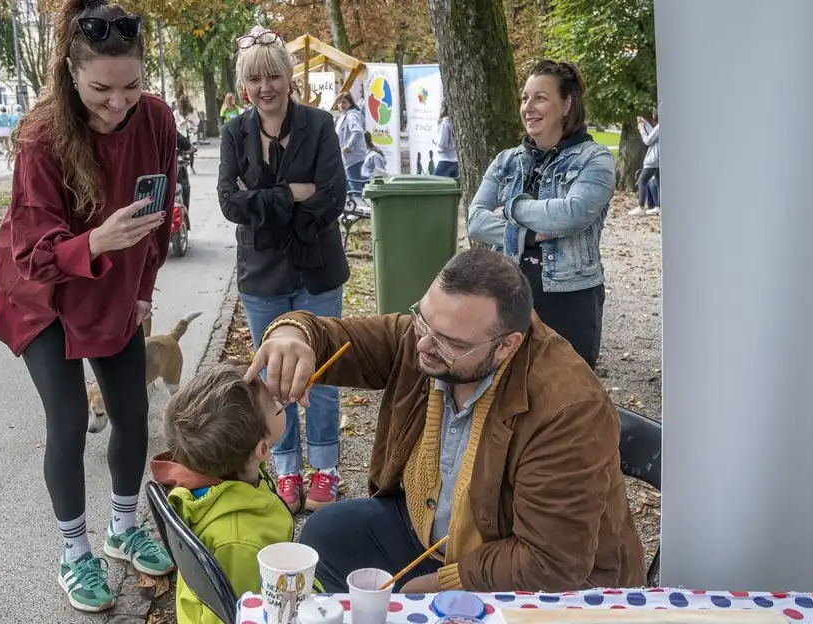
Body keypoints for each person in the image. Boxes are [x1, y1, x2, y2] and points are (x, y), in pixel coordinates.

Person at [247, 248, 645, 594]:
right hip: (432, 535)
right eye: (422, 319)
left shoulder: (568, 408)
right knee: (325, 534)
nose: (422, 345)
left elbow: (552, 562)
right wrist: (292, 334)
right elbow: (337, 336)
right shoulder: (432, 336)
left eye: (451, 343)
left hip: (534, 575)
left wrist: (445, 584)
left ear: (508, 345)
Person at [0, 0, 177, 612]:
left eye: (131, 86)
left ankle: (123, 529)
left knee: (132, 412)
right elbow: (32, 251)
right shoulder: (41, 136)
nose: (118, 104)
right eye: (101, 90)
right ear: (71, 75)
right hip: (43, 295)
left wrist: (144, 288)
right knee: (69, 422)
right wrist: (96, 238)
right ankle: (75, 554)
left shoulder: (155, 118)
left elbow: (160, 210)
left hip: (114, 289)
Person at [218, 25, 349, 514]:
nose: (265, 87)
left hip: (316, 271)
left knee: (323, 372)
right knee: (273, 380)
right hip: (262, 276)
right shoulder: (235, 133)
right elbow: (230, 203)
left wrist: (263, 203)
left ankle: (325, 470)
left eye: (273, 75)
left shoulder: (319, 126)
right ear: (244, 85)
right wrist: (292, 194)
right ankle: (287, 470)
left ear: (288, 77)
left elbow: (332, 195)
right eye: (255, 78)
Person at [467, 59, 614, 369]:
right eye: (525, 97)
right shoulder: (507, 161)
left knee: (568, 400)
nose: (528, 107)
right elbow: (476, 221)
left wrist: (509, 209)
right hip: (508, 293)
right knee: (507, 393)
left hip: (569, 301)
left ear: (567, 104)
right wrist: (530, 233)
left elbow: (571, 214)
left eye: (540, 97)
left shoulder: (595, 159)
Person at [151, 362, 292, 624]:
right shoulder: (239, 542)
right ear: (262, 450)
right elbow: (244, 613)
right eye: (273, 400)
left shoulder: (226, 475)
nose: (277, 393)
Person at [631, 108, 661, 216]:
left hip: (653, 159)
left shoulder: (659, 127)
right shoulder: (661, 127)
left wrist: (641, 130)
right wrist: (645, 124)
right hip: (659, 159)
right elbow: (653, 134)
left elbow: (648, 140)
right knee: (658, 182)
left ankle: (640, 207)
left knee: (642, 181)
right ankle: (658, 206)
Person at [335, 92, 366, 194]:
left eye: (344, 102)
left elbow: (357, 131)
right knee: (348, 186)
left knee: (354, 187)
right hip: (347, 157)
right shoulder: (343, 116)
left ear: (350, 103)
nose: (341, 105)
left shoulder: (351, 115)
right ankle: (354, 207)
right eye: (339, 102)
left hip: (354, 157)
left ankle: (360, 208)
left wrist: (349, 145)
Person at [433, 103, 458, 178]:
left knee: (435, 185)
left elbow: (443, 143)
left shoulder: (445, 123)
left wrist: (435, 141)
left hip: (445, 160)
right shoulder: (457, 121)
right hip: (456, 160)